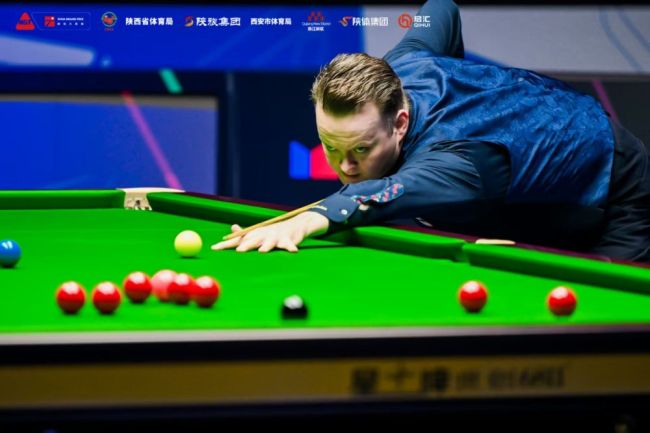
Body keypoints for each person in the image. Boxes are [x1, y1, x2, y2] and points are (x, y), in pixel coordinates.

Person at [212, 0, 649, 263]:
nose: (345, 167)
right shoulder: (406, 62)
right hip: (530, 174)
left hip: (613, 185)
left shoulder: (454, 162)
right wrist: (457, 75)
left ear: (400, 122)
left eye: (361, 150)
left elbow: (384, 195)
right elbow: (441, 9)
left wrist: (311, 219)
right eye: (330, 146)